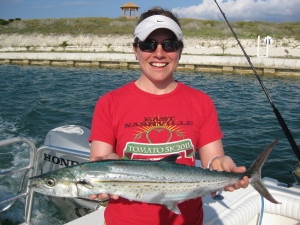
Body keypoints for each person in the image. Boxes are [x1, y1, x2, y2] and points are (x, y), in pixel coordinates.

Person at [89, 7, 249, 225]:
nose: (159, 53)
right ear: (135, 49)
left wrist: (222, 166)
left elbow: (213, 159)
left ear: (180, 51)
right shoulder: (109, 103)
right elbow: (100, 160)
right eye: (149, 44)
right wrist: (108, 164)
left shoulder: (201, 102)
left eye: (169, 44)